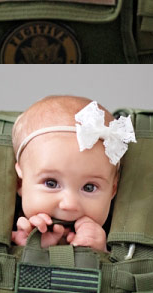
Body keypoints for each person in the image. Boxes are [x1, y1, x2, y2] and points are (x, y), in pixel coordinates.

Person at [10, 95, 136, 253]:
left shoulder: (119, 241)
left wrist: (101, 253)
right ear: (20, 183)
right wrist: (25, 250)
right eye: (51, 183)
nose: (69, 204)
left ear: (112, 189)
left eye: (89, 187)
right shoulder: (10, 233)